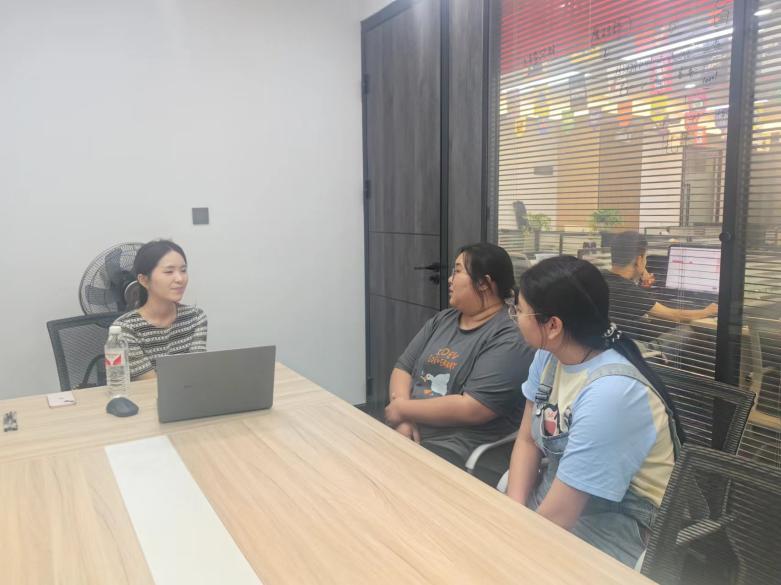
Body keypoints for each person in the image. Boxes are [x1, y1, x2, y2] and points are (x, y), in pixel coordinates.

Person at [506, 256, 682, 567]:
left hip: (616, 530)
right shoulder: (548, 358)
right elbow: (527, 440)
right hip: (560, 504)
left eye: (519, 311)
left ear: (553, 325)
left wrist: (513, 536)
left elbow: (560, 517)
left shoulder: (612, 393)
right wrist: (512, 513)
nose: (515, 318)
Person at [384, 243, 534, 485]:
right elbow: (403, 367)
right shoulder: (443, 319)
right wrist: (403, 419)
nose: (450, 279)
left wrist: (402, 410)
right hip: (411, 427)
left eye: (458, 271)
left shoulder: (510, 335)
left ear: (484, 283)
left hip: (456, 445)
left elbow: (473, 408)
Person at [604, 231, 717, 359]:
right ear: (640, 260)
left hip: (607, 347)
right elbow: (676, 316)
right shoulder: (627, 290)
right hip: (629, 352)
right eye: (645, 258)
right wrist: (708, 311)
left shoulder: (600, 277)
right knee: (689, 330)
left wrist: (640, 273)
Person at [112, 240, 207, 380]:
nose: (180, 279)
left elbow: (196, 373)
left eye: (183, 270)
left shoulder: (196, 317)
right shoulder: (125, 329)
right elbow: (153, 384)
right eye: (169, 271)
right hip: (149, 394)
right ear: (144, 280)